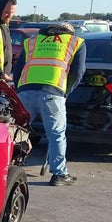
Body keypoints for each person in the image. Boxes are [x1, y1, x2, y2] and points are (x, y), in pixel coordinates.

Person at [14, 21, 86, 186]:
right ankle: (59, 174)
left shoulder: (32, 41)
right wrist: (66, 92)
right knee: (56, 135)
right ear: (70, 33)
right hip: (53, 93)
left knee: (18, 132)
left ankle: (9, 166)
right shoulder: (75, 42)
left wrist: (19, 90)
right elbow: (78, 72)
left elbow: (18, 69)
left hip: (26, 91)